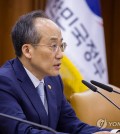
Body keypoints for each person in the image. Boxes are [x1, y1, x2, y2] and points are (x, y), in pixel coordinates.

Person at [0, 10, 119, 134]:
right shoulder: (4, 82)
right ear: (27, 50)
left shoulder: (53, 80)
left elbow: (71, 125)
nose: (61, 54)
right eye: (53, 46)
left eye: (61, 46)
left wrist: (113, 132)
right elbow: (22, 132)